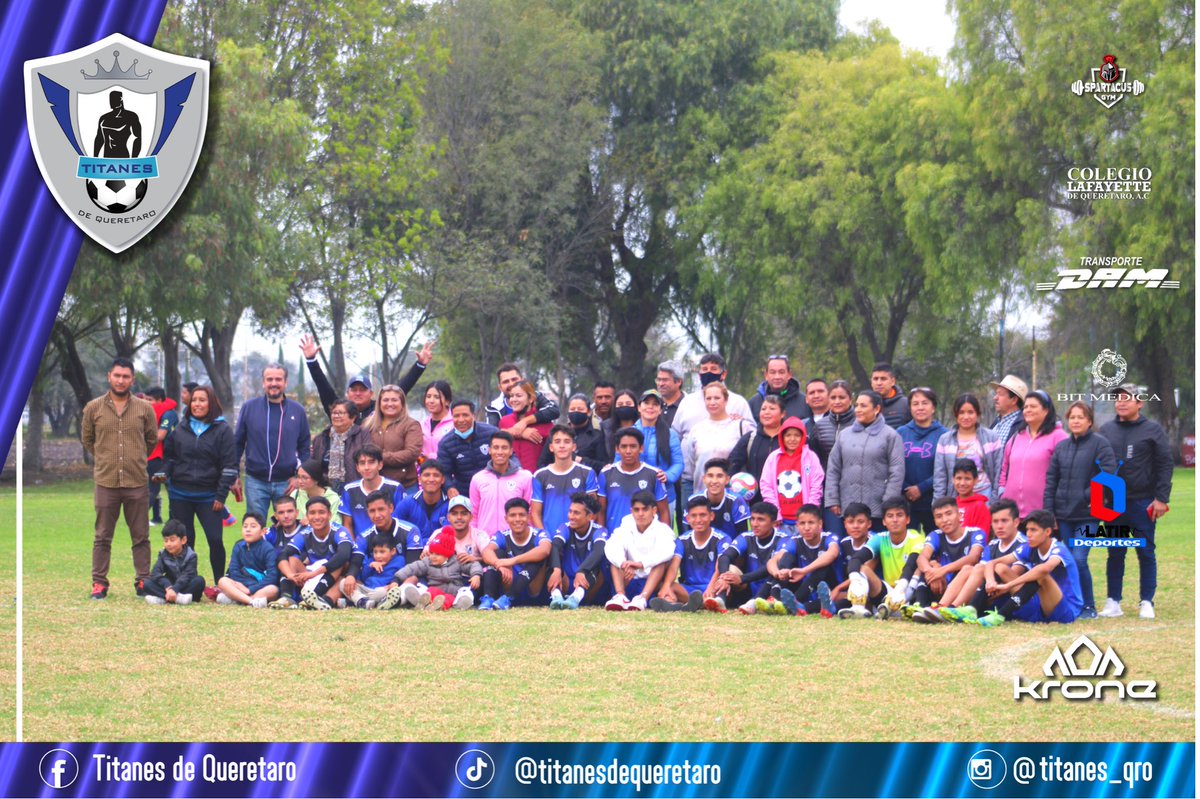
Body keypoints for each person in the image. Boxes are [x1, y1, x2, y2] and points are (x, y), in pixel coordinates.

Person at [82, 357, 158, 600]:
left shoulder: (144, 409)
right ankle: (99, 583)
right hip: (106, 482)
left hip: (136, 482)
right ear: (109, 377)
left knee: (141, 535)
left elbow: (151, 439)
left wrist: (133, 459)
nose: (121, 380)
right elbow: (88, 439)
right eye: (117, 375)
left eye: (126, 376)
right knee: (102, 535)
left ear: (132, 380)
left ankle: (143, 580)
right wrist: (106, 457)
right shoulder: (93, 408)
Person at [1097, 384, 1174, 620]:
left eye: (1127, 399)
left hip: (1142, 501)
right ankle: (1113, 601)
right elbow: (1098, 463)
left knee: (1145, 551)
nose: (1121, 403)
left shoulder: (1152, 430)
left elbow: (1164, 464)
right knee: (1115, 552)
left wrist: (1161, 498)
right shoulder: (1107, 429)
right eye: (1118, 399)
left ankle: (1147, 601)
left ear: (1139, 403)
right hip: (1114, 501)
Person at [159, 384, 239, 590]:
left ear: (211, 403)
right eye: (194, 400)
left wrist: (221, 496)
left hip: (210, 497)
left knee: (215, 540)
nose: (197, 404)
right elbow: (170, 457)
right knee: (186, 542)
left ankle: (221, 583)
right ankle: (187, 584)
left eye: (202, 400)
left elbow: (230, 466)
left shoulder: (222, 430)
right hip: (180, 494)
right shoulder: (180, 429)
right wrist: (164, 474)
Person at [300, 333, 433, 423]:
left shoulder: (379, 409)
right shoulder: (339, 410)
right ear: (347, 393)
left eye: (363, 389)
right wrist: (311, 361)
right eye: (354, 389)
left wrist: (420, 365)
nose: (358, 393)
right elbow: (324, 388)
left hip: (373, 463)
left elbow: (401, 390)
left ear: (371, 394)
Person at [234, 363, 311, 518]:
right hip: (255, 481)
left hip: (287, 482)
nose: (274, 383)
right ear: (263, 382)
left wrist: (299, 477)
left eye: (278, 379)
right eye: (269, 379)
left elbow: (304, 448)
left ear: (285, 383)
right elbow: (237, 444)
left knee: (288, 528)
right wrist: (234, 474)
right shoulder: (249, 407)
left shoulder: (298, 410)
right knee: (255, 528)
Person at [932, 498, 1027, 624]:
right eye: (995, 521)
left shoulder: (1024, 544)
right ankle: (942, 607)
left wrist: (989, 582)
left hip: (1015, 597)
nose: (999, 526)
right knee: (968, 569)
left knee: (993, 568)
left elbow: (1012, 574)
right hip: (991, 593)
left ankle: (955, 609)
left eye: (1004, 521)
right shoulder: (993, 544)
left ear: (1016, 522)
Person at [983, 510, 1083, 625]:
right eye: (1027, 530)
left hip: (1066, 610)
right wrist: (990, 582)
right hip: (1040, 604)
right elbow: (992, 563)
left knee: (1041, 574)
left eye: (1033, 530)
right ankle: (975, 608)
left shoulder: (1059, 549)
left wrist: (1008, 585)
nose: (1028, 534)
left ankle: (1000, 615)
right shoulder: (1029, 547)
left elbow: (1044, 569)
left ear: (1048, 532)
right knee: (1001, 568)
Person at [825, 390, 905, 530]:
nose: (858, 410)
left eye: (863, 406)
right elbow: (833, 468)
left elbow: (897, 471)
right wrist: (833, 499)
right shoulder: (844, 435)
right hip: (847, 504)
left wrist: (888, 502)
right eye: (857, 405)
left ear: (877, 409)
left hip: (877, 506)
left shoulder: (890, 435)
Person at [909, 497, 986, 622]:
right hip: (943, 587)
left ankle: (945, 608)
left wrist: (942, 571)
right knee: (928, 565)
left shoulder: (976, 533)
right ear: (934, 521)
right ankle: (920, 606)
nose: (945, 520)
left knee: (967, 568)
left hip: (969, 591)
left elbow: (973, 557)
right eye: (939, 516)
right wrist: (932, 571)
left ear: (959, 515)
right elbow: (922, 558)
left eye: (949, 514)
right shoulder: (936, 535)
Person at [650, 496, 729, 612]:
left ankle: (681, 603)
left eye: (703, 515)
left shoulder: (722, 539)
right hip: (689, 589)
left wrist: (711, 587)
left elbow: (720, 567)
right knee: (664, 585)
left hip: (713, 587)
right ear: (687, 519)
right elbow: (674, 565)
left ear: (711, 516)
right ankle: (680, 603)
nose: (698, 520)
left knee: (723, 586)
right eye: (693, 516)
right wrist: (666, 586)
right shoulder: (682, 540)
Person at [603, 490, 677, 611]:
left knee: (661, 563)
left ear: (654, 510)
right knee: (614, 560)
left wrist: (640, 564)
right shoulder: (625, 526)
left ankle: (643, 598)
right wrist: (623, 563)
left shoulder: (663, 529)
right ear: (631, 511)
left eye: (645, 509)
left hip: (650, 583)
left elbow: (668, 551)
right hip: (628, 578)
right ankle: (620, 596)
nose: (640, 514)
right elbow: (610, 547)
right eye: (636, 510)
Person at [379, 524, 482, 611]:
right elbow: (411, 568)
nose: (433, 556)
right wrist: (396, 579)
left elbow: (473, 565)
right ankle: (420, 600)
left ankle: (453, 604)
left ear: (447, 554)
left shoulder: (457, 561)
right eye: (431, 552)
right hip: (435, 589)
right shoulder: (427, 562)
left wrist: (476, 575)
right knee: (429, 591)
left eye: (437, 554)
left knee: (463, 593)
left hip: (453, 591)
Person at [998, 390, 1067, 518]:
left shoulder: (1059, 437)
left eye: (1033, 406)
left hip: (1043, 514)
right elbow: (1004, 469)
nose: (1028, 410)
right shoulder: (1015, 438)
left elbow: (1066, 474)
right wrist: (1002, 493)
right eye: (1026, 407)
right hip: (1012, 515)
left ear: (1046, 410)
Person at [279, 496, 356, 610]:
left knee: (339, 564)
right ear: (307, 516)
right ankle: (286, 598)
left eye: (321, 512)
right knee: (292, 558)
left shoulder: (339, 531)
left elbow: (343, 556)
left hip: (334, 577)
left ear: (329, 515)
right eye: (312, 513)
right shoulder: (305, 533)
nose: (317, 517)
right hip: (312, 575)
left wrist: (313, 574)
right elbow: (283, 554)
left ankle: (317, 597)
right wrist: (290, 575)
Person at [710, 502, 788, 613]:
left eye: (761, 520)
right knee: (729, 569)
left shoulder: (784, 539)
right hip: (747, 587)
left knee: (778, 570)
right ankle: (720, 600)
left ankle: (757, 602)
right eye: (752, 519)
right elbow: (725, 556)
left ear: (774, 523)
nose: (755, 524)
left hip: (771, 587)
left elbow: (770, 568)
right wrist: (724, 578)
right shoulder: (746, 537)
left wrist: (742, 578)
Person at [682, 382, 753, 501]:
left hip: (732, 498)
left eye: (717, 398)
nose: (712, 402)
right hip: (703, 499)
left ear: (725, 400)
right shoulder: (696, 429)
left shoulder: (742, 427)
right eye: (708, 398)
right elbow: (692, 461)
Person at [767, 504, 840, 617]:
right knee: (786, 557)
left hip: (830, 589)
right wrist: (778, 573)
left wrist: (804, 571)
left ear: (820, 524)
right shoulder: (795, 541)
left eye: (811, 523)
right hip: (805, 590)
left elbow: (832, 553)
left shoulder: (829, 537)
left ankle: (793, 603)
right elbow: (773, 561)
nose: (806, 528)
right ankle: (775, 599)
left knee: (823, 565)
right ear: (797, 525)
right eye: (802, 523)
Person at [479, 498, 553, 610]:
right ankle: (489, 598)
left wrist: (512, 560)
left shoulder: (539, 533)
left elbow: (545, 549)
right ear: (506, 519)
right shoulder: (502, 535)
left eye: (521, 515)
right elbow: (486, 551)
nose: (517, 519)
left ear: (528, 517)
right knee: (496, 553)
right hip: (505, 591)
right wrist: (497, 564)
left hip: (534, 591)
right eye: (513, 515)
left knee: (538, 555)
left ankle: (509, 597)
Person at [757, 417, 824, 533]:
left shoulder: (811, 457)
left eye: (797, 435)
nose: (792, 439)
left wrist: (810, 513)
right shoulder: (774, 458)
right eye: (788, 435)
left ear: (803, 437)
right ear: (782, 437)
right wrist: (774, 512)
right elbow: (766, 486)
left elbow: (816, 485)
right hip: (781, 521)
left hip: (805, 522)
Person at [531, 425, 600, 535]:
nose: (562, 446)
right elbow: (535, 513)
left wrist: (584, 536)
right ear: (551, 447)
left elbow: (593, 510)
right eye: (557, 442)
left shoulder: (587, 473)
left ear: (573, 447)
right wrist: (544, 537)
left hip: (578, 538)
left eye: (567, 442)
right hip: (550, 538)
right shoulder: (540, 475)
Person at [933, 393, 1003, 500]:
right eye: (961, 412)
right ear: (956, 415)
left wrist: (994, 501)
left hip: (985, 496)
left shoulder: (991, 437)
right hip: (956, 499)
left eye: (970, 412)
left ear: (978, 414)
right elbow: (940, 477)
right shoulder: (945, 440)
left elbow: (999, 471)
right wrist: (938, 504)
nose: (966, 417)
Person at [598, 428, 670, 530]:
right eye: (623, 446)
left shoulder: (654, 474)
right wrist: (602, 537)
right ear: (617, 449)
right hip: (614, 537)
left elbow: (664, 511)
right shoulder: (606, 474)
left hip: (645, 539)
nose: (628, 451)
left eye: (633, 446)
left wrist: (665, 538)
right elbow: (601, 512)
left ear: (641, 448)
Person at [626, 389, 683, 518]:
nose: (650, 407)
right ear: (639, 407)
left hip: (664, 495)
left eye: (655, 404)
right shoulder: (629, 433)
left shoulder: (670, 434)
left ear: (660, 410)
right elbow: (619, 461)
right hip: (633, 493)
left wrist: (668, 475)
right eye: (646, 403)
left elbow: (678, 463)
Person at [548, 493, 611, 609]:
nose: (571, 516)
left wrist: (582, 570)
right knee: (549, 554)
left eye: (576, 513)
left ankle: (575, 598)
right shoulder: (565, 527)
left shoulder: (599, 530)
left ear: (590, 517)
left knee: (601, 562)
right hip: (566, 581)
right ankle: (557, 597)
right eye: (570, 511)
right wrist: (557, 570)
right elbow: (555, 546)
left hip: (588, 583)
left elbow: (599, 550)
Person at [897, 387, 947, 533]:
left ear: (933, 407)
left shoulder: (944, 435)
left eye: (924, 403)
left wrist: (922, 488)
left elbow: (945, 468)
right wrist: (906, 488)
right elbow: (893, 465)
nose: (920, 407)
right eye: (915, 403)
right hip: (906, 500)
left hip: (933, 499)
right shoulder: (900, 433)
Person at [671, 353, 753, 442]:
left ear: (723, 374)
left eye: (713, 369)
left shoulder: (738, 403)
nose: (708, 373)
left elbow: (752, 435)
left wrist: (743, 423)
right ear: (699, 375)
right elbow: (674, 436)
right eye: (705, 369)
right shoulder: (687, 402)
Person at [866, 498, 926, 618]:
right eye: (890, 516)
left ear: (908, 519)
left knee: (923, 563)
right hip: (887, 591)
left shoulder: (916, 537)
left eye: (899, 515)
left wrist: (900, 589)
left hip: (908, 591)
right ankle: (859, 608)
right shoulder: (880, 538)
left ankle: (906, 607)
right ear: (884, 521)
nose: (895, 520)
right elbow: (858, 558)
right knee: (864, 570)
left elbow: (911, 564)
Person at [469, 431, 534, 535]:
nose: (499, 452)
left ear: (511, 451)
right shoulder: (478, 479)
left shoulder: (525, 477)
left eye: (504, 448)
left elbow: (530, 511)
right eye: (496, 448)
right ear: (489, 450)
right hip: (485, 541)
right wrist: (475, 539)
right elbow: (474, 514)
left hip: (514, 541)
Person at [362, 384, 423, 491]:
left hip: (405, 486)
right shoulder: (368, 424)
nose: (390, 404)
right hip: (374, 486)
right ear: (379, 403)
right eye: (385, 400)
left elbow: (412, 453)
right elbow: (362, 450)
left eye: (394, 400)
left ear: (402, 403)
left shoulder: (411, 424)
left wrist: (380, 457)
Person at [436, 400, 500, 497]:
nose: (461, 420)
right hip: (465, 494)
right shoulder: (446, 443)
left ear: (473, 415)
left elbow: (510, 456)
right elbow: (444, 472)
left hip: (494, 489)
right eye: (456, 416)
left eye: (465, 415)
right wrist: (449, 488)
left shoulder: (492, 433)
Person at [216, 513, 281, 608]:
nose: (248, 529)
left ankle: (238, 599)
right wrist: (243, 587)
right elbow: (233, 571)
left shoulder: (268, 549)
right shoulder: (238, 546)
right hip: (240, 586)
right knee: (222, 581)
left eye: (253, 526)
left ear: (263, 531)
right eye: (245, 526)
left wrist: (250, 589)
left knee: (273, 590)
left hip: (260, 587)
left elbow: (272, 576)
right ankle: (251, 601)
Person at [729, 394, 785, 503]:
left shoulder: (789, 439)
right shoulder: (750, 438)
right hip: (754, 501)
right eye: (763, 409)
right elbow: (732, 464)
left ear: (782, 414)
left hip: (783, 499)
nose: (766, 412)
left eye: (772, 408)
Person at [339, 446, 404, 536]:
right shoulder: (349, 490)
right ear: (357, 467)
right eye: (362, 463)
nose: (366, 467)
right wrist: (355, 548)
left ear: (380, 465)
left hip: (389, 545)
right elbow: (347, 524)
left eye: (371, 462)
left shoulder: (395, 488)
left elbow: (401, 521)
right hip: (360, 546)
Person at [394, 461, 451, 561]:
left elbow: (448, 535)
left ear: (443, 480)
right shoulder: (407, 502)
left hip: (442, 556)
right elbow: (395, 528)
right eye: (427, 475)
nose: (431, 479)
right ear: (419, 479)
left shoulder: (450, 504)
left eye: (436, 475)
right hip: (412, 553)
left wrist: (428, 546)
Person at [310, 399, 368, 495]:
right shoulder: (321, 437)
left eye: (340, 413)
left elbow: (368, 459)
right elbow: (314, 464)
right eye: (334, 413)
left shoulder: (362, 435)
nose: (336, 416)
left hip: (354, 487)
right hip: (325, 489)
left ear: (353, 417)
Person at [538, 394, 608, 472]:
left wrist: (580, 460)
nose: (576, 411)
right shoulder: (557, 433)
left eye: (580, 409)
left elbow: (604, 466)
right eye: (572, 409)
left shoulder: (596, 435)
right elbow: (542, 464)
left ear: (588, 412)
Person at [142, 520, 205, 606]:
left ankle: (163, 598)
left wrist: (175, 589)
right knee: (146, 583)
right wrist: (167, 586)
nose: (168, 544)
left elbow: (188, 575)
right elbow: (155, 573)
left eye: (172, 540)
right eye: (166, 540)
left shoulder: (191, 555)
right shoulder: (163, 554)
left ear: (183, 540)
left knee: (199, 581)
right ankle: (178, 599)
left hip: (185, 586)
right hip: (169, 586)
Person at [686, 458, 752, 539]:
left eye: (719, 476)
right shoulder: (693, 500)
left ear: (727, 480)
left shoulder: (736, 500)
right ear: (704, 479)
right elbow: (688, 535)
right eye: (710, 476)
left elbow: (743, 536)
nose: (714, 481)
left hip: (731, 548)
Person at [483, 362, 561, 430]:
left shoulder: (535, 396)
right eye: (506, 381)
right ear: (500, 387)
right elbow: (492, 434)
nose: (511, 384)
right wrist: (519, 432)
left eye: (514, 379)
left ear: (522, 380)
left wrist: (525, 421)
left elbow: (554, 410)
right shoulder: (494, 408)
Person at [499, 379, 553, 472]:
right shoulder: (505, 421)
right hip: (510, 479)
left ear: (531, 399)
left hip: (536, 479)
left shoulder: (546, 424)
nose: (514, 399)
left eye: (518, 396)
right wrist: (520, 433)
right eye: (511, 396)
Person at [145, 386, 179, 526]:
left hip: (166, 459)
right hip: (156, 458)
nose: (146, 402)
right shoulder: (153, 411)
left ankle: (172, 518)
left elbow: (161, 435)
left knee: (165, 486)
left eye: (150, 400)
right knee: (156, 486)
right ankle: (156, 517)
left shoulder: (168, 414)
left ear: (159, 400)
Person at [748, 354, 811, 423]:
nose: (777, 377)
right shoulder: (754, 403)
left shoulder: (805, 402)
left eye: (781, 372)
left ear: (789, 374)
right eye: (773, 372)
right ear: (766, 375)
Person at [345, 539, 406, 609]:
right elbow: (363, 578)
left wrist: (391, 584)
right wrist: (370, 566)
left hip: (382, 589)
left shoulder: (399, 561)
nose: (378, 556)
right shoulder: (372, 560)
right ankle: (362, 601)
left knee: (382, 592)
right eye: (375, 552)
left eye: (382, 552)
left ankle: (356, 601)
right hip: (367, 589)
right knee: (343, 583)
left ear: (393, 551)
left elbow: (399, 576)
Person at [290, 459, 343, 524]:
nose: (300, 481)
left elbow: (335, 524)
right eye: (298, 477)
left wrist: (311, 522)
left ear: (316, 479)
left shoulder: (333, 498)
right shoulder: (295, 494)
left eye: (305, 478)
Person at [952, 460, 992, 534]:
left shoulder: (980, 507)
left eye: (967, 479)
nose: (962, 483)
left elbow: (982, 537)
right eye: (958, 478)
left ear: (976, 480)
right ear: (953, 479)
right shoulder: (952, 505)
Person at [988, 374, 1028, 447]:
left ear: (1014, 400)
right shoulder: (996, 423)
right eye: (996, 393)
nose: (995, 398)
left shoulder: (1024, 425)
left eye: (1000, 394)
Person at [601, 389, 641, 461]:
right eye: (620, 404)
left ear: (636, 407)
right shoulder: (605, 428)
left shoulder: (642, 427)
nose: (624, 406)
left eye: (628, 404)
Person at [420, 380, 455, 461]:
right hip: (425, 471)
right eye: (428, 396)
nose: (431, 401)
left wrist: (431, 456)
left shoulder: (455, 424)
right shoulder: (422, 424)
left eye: (436, 397)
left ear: (447, 401)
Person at [871, 363, 910, 428]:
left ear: (893, 381)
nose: (879, 383)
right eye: (875, 379)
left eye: (883, 379)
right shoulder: (867, 406)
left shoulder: (906, 404)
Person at [655, 361, 686, 429]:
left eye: (665, 380)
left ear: (678, 382)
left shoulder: (688, 406)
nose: (660, 384)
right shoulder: (653, 404)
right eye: (658, 380)